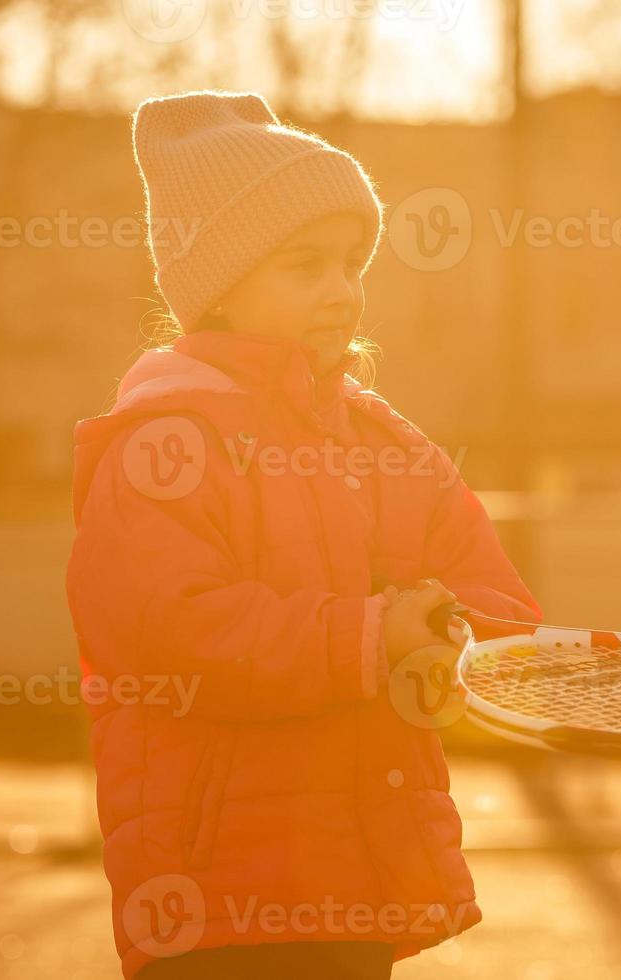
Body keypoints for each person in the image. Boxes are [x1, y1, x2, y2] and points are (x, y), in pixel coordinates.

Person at [65, 90, 543, 980]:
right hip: (216, 893)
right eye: (305, 265)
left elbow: (490, 597)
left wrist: (448, 643)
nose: (341, 290)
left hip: (356, 871)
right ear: (219, 288)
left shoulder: (384, 442)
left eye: (352, 263)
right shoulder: (165, 443)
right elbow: (176, 633)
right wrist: (370, 638)